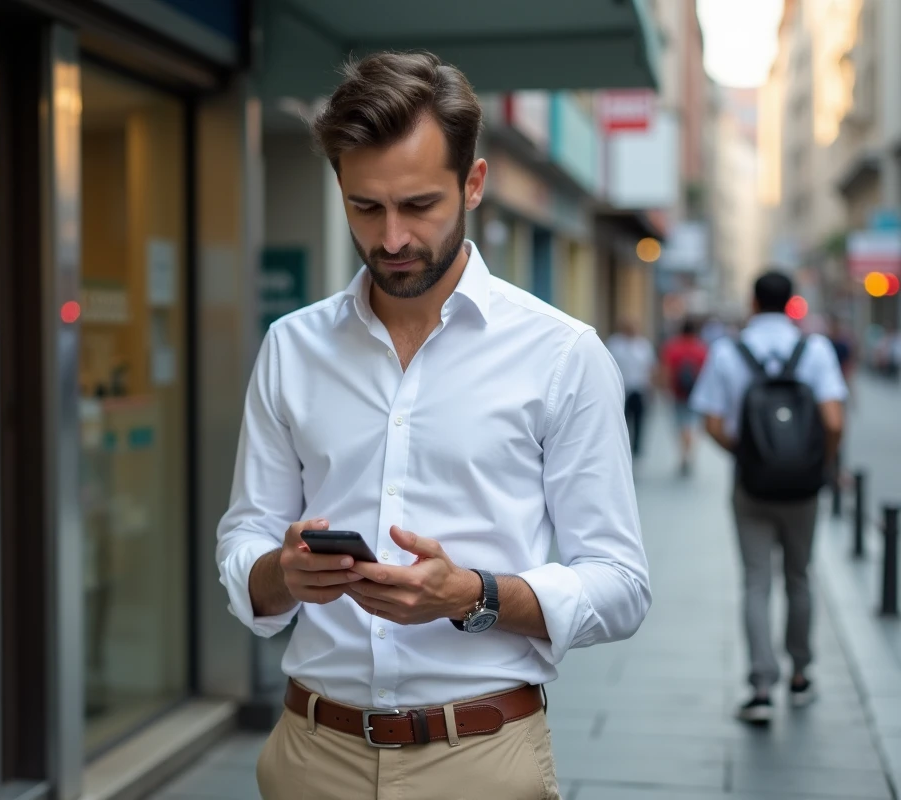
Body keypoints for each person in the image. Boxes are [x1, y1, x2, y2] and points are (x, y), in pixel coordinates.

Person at [216, 52, 651, 799]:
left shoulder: (561, 354)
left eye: (419, 206)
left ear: (473, 184)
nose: (390, 239)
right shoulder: (292, 346)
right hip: (311, 756)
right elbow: (245, 537)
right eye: (365, 207)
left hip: (478, 758)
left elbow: (619, 583)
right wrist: (280, 575)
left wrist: (473, 595)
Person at [689, 271, 847, 724]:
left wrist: (749, 455)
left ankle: (761, 687)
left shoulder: (727, 351)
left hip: (752, 486)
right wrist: (821, 464)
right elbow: (834, 421)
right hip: (803, 489)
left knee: (756, 581)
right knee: (799, 576)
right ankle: (801, 674)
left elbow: (713, 423)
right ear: (791, 302)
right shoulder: (815, 350)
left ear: (753, 303)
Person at [659, 318, 708, 476]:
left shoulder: (672, 347)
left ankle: (683, 455)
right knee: (692, 425)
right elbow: (707, 373)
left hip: (678, 392)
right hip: (696, 393)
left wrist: (666, 389)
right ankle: (688, 454)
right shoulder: (701, 348)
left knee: (681, 425)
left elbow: (666, 370)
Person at [606, 319, 656, 458]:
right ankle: (622, 445)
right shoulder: (614, 344)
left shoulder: (643, 345)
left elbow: (650, 367)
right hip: (621, 389)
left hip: (639, 388)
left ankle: (636, 449)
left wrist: (651, 388)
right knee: (622, 420)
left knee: (639, 420)